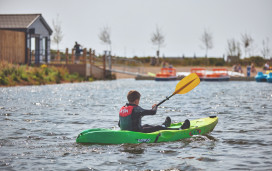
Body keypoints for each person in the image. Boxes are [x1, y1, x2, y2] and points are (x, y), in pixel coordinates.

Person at [118, 90, 190, 133]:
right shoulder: (136, 108)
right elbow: (153, 112)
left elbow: (119, 124)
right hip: (136, 132)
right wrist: (155, 107)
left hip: (128, 130)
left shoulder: (123, 108)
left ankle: (164, 125)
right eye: (139, 100)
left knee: (146, 125)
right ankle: (180, 129)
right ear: (136, 101)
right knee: (158, 128)